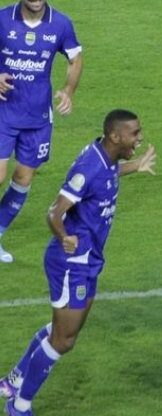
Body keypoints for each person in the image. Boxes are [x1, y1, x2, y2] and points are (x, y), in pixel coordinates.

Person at [0, 109, 156, 416]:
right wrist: (64, 237)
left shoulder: (105, 157)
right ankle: (20, 405)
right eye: (134, 133)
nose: (139, 138)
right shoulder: (90, 167)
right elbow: (54, 212)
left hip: (90, 259)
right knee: (64, 340)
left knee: (66, 330)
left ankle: (14, 380)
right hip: (72, 262)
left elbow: (108, 175)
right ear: (115, 135)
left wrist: (135, 166)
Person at [0, 0, 84, 263]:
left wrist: (68, 90)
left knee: (23, 178)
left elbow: (75, 59)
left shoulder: (61, 24)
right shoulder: (3, 18)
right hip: (3, 111)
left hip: (37, 118)